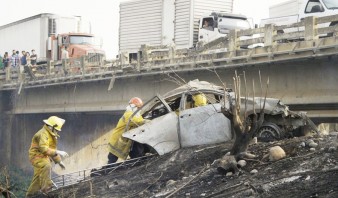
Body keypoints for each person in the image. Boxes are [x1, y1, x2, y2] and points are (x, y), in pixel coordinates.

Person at [26, 116, 69, 197]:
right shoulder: (43, 134)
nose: (56, 131)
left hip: (43, 156)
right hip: (36, 156)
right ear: (51, 127)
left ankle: (30, 195)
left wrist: (59, 161)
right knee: (47, 165)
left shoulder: (50, 134)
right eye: (56, 129)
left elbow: (51, 150)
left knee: (38, 177)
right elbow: (44, 149)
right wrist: (58, 151)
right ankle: (47, 191)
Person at [107, 97, 146, 164]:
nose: (139, 109)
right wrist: (152, 121)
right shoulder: (129, 114)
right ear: (134, 106)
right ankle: (106, 171)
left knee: (135, 152)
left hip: (123, 139)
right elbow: (139, 122)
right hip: (117, 139)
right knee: (112, 158)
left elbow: (140, 120)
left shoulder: (136, 115)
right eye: (138, 107)